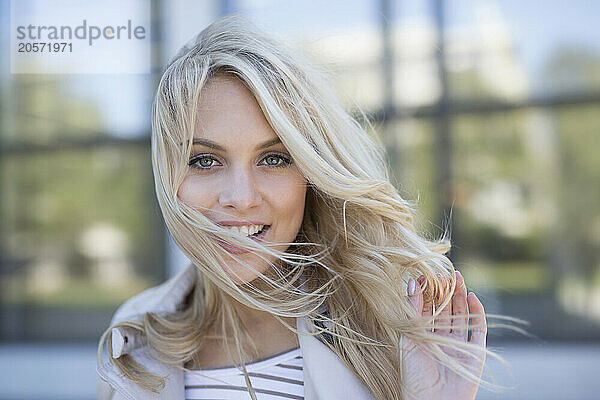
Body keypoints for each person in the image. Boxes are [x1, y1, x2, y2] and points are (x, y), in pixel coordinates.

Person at [97, 15, 489, 400]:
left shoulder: (393, 326)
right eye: (204, 160)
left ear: (311, 172)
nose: (242, 196)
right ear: (168, 177)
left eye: (273, 159)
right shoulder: (133, 337)